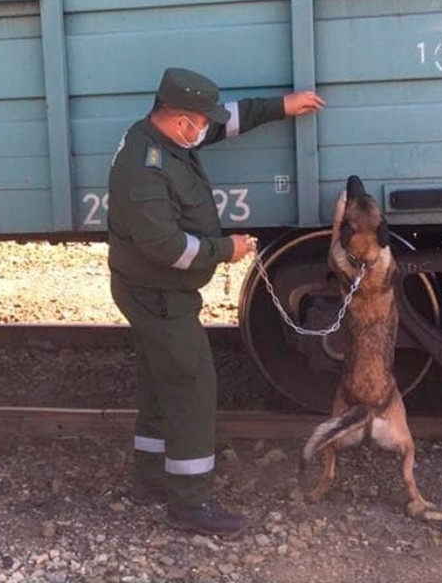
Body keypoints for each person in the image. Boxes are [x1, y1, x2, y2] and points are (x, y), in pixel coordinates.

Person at [106, 67, 326, 537]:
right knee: (192, 386)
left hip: (149, 289)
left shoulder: (164, 137)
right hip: (158, 292)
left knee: (159, 380)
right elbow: (165, 248)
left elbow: (230, 118)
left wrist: (284, 106)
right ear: (181, 119)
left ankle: (150, 480)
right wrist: (227, 250)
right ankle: (189, 502)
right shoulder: (146, 169)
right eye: (200, 122)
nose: (207, 128)